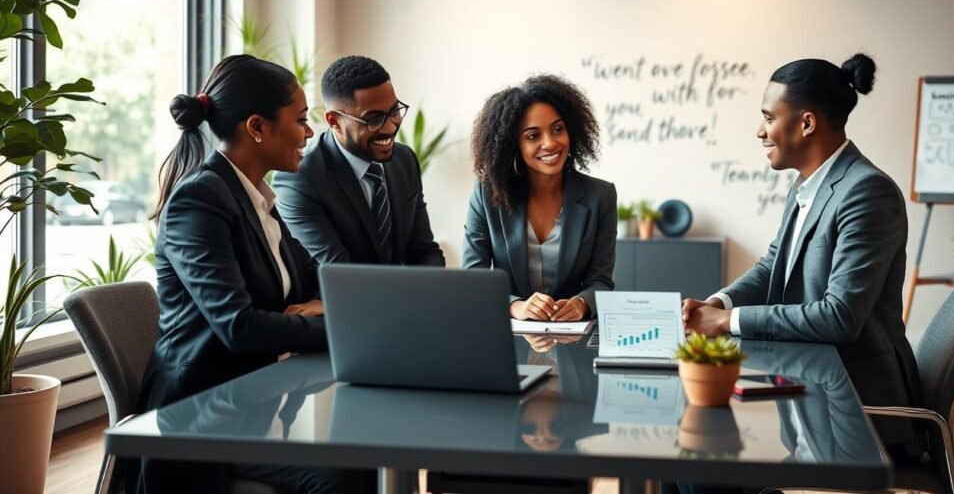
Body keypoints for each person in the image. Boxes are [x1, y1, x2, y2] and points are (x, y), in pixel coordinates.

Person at [133, 54, 372, 494]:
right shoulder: (199, 201)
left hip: (259, 398)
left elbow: (317, 279)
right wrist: (334, 325)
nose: (308, 132)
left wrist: (325, 304)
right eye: (300, 119)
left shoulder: (258, 199)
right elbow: (239, 327)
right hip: (202, 418)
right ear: (257, 127)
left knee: (365, 456)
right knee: (349, 474)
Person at [681, 53, 925, 462]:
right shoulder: (804, 187)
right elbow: (771, 265)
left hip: (858, 417)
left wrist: (726, 322)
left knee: (698, 467)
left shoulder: (866, 192)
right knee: (685, 458)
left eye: (768, 117)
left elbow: (839, 316)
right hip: (810, 390)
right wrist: (719, 303)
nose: (760, 131)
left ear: (807, 123)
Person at [462, 74, 616, 321]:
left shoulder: (601, 196)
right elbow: (473, 280)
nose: (550, 143)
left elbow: (602, 281)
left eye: (558, 129)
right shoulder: (486, 193)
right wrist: (516, 306)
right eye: (533, 136)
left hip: (572, 338)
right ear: (514, 144)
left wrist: (580, 304)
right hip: (509, 337)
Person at [274, 55, 444, 266]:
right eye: (373, 119)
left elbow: (424, 252)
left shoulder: (404, 160)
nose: (390, 128)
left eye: (394, 112)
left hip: (405, 295)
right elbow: (341, 272)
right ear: (334, 121)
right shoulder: (300, 178)